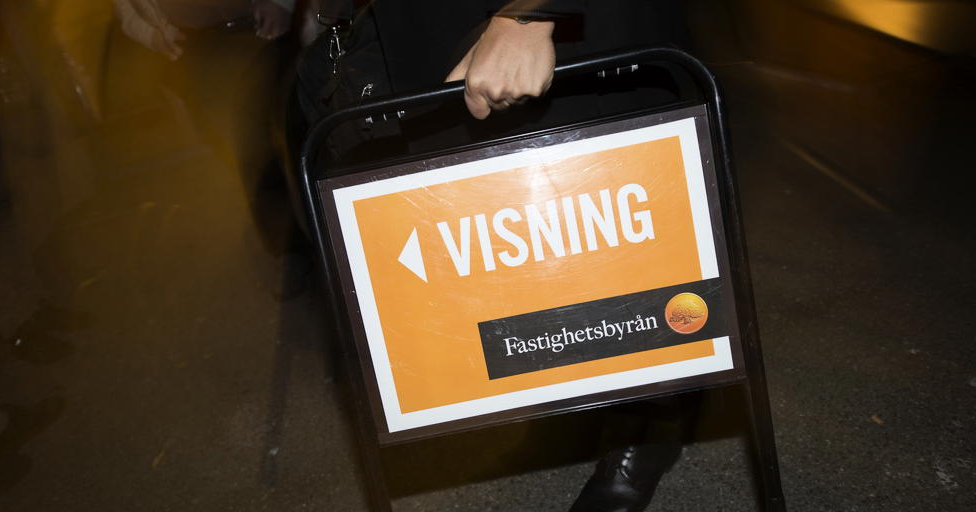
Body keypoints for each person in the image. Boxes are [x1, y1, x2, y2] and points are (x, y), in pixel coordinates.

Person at [294, 2, 697, 510]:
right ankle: (559, 395)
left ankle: (646, 427)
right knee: (510, 252)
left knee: (615, 244)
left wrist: (529, 14)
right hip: (441, 42)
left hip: (549, 33)